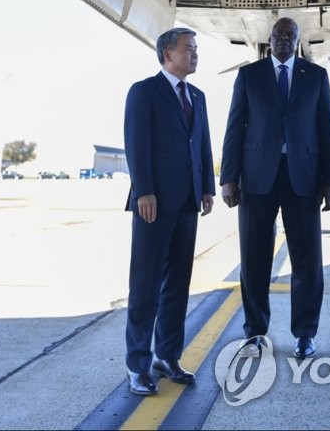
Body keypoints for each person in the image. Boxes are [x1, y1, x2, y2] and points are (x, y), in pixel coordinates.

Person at [220, 16, 330, 359]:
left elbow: (327, 130)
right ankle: (255, 332)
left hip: (303, 177)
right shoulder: (249, 76)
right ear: (269, 39)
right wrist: (229, 178)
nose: (284, 39)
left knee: (307, 262)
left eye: (290, 34)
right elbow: (234, 128)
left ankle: (305, 334)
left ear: (298, 40)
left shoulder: (315, 76)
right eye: (278, 34)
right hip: (256, 178)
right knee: (254, 259)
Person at [123, 27, 215, 396]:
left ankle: (167, 356)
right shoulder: (144, 91)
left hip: (188, 201)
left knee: (178, 284)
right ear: (167, 54)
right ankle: (137, 365)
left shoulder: (198, 96)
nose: (194, 54)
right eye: (188, 49)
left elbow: (203, 143)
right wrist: (143, 190)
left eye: (195, 48)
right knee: (145, 285)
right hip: (154, 203)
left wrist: (207, 186)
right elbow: (136, 144)